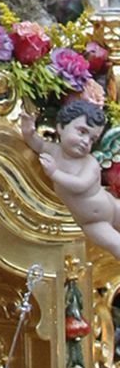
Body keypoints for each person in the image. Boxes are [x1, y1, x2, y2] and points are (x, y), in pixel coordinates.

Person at [20, 97, 120, 259]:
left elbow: (80, 185)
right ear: (61, 127)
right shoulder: (53, 151)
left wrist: (54, 174)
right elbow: (35, 143)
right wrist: (28, 129)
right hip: (93, 222)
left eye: (92, 139)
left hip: (112, 206)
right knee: (117, 245)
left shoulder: (89, 163)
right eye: (82, 132)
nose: (86, 142)